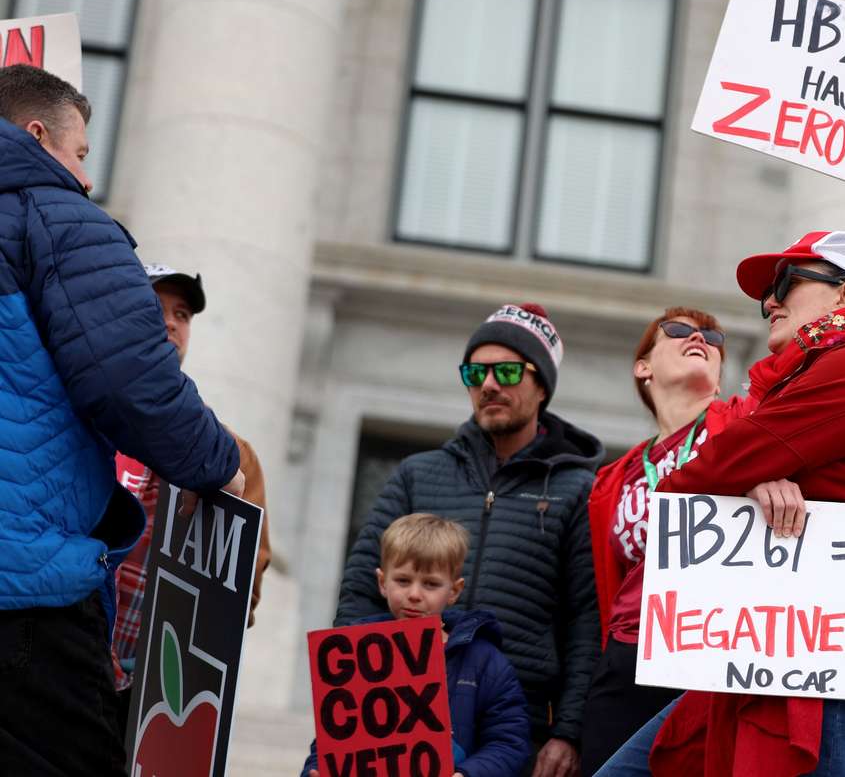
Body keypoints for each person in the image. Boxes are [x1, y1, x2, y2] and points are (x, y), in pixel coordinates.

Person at [580, 184, 845, 775]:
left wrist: (745, 472)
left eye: (785, 286)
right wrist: (755, 478)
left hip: (830, 668)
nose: (770, 304)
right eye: (765, 297)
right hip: (755, 651)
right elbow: (728, 462)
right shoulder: (803, 375)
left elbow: (700, 476)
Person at [0, 64, 243, 774]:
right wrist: (219, 461)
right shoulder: (57, 215)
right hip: (26, 587)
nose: (87, 177)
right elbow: (126, 381)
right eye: (80, 154)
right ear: (38, 135)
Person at [336, 303, 604, 777]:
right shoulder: (416, 476)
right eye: (475, 372)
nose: (489, 385)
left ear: (541, 385)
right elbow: (361, 589)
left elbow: (588, 618)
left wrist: (568, 730)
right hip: (400, 717)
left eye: (506, 370)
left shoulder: (580, 490)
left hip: (517, 730)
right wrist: (354, 701)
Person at [111, 263, 274, 732]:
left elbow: (243, 588)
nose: (170, 322)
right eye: (155, 307)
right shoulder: (86, 423)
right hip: (67, 664)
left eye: (182, 314)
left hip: (158, 695)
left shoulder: (233, 454)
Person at [305, 513, 532, 777]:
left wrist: (467, 774)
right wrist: (317, 769)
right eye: (403, 580)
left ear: (454, 591)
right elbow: (332, 736)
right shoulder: (354, 654)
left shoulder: (484, 661)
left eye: (431, 584)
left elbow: (509, 743)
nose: (414, 594)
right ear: (382, 582)